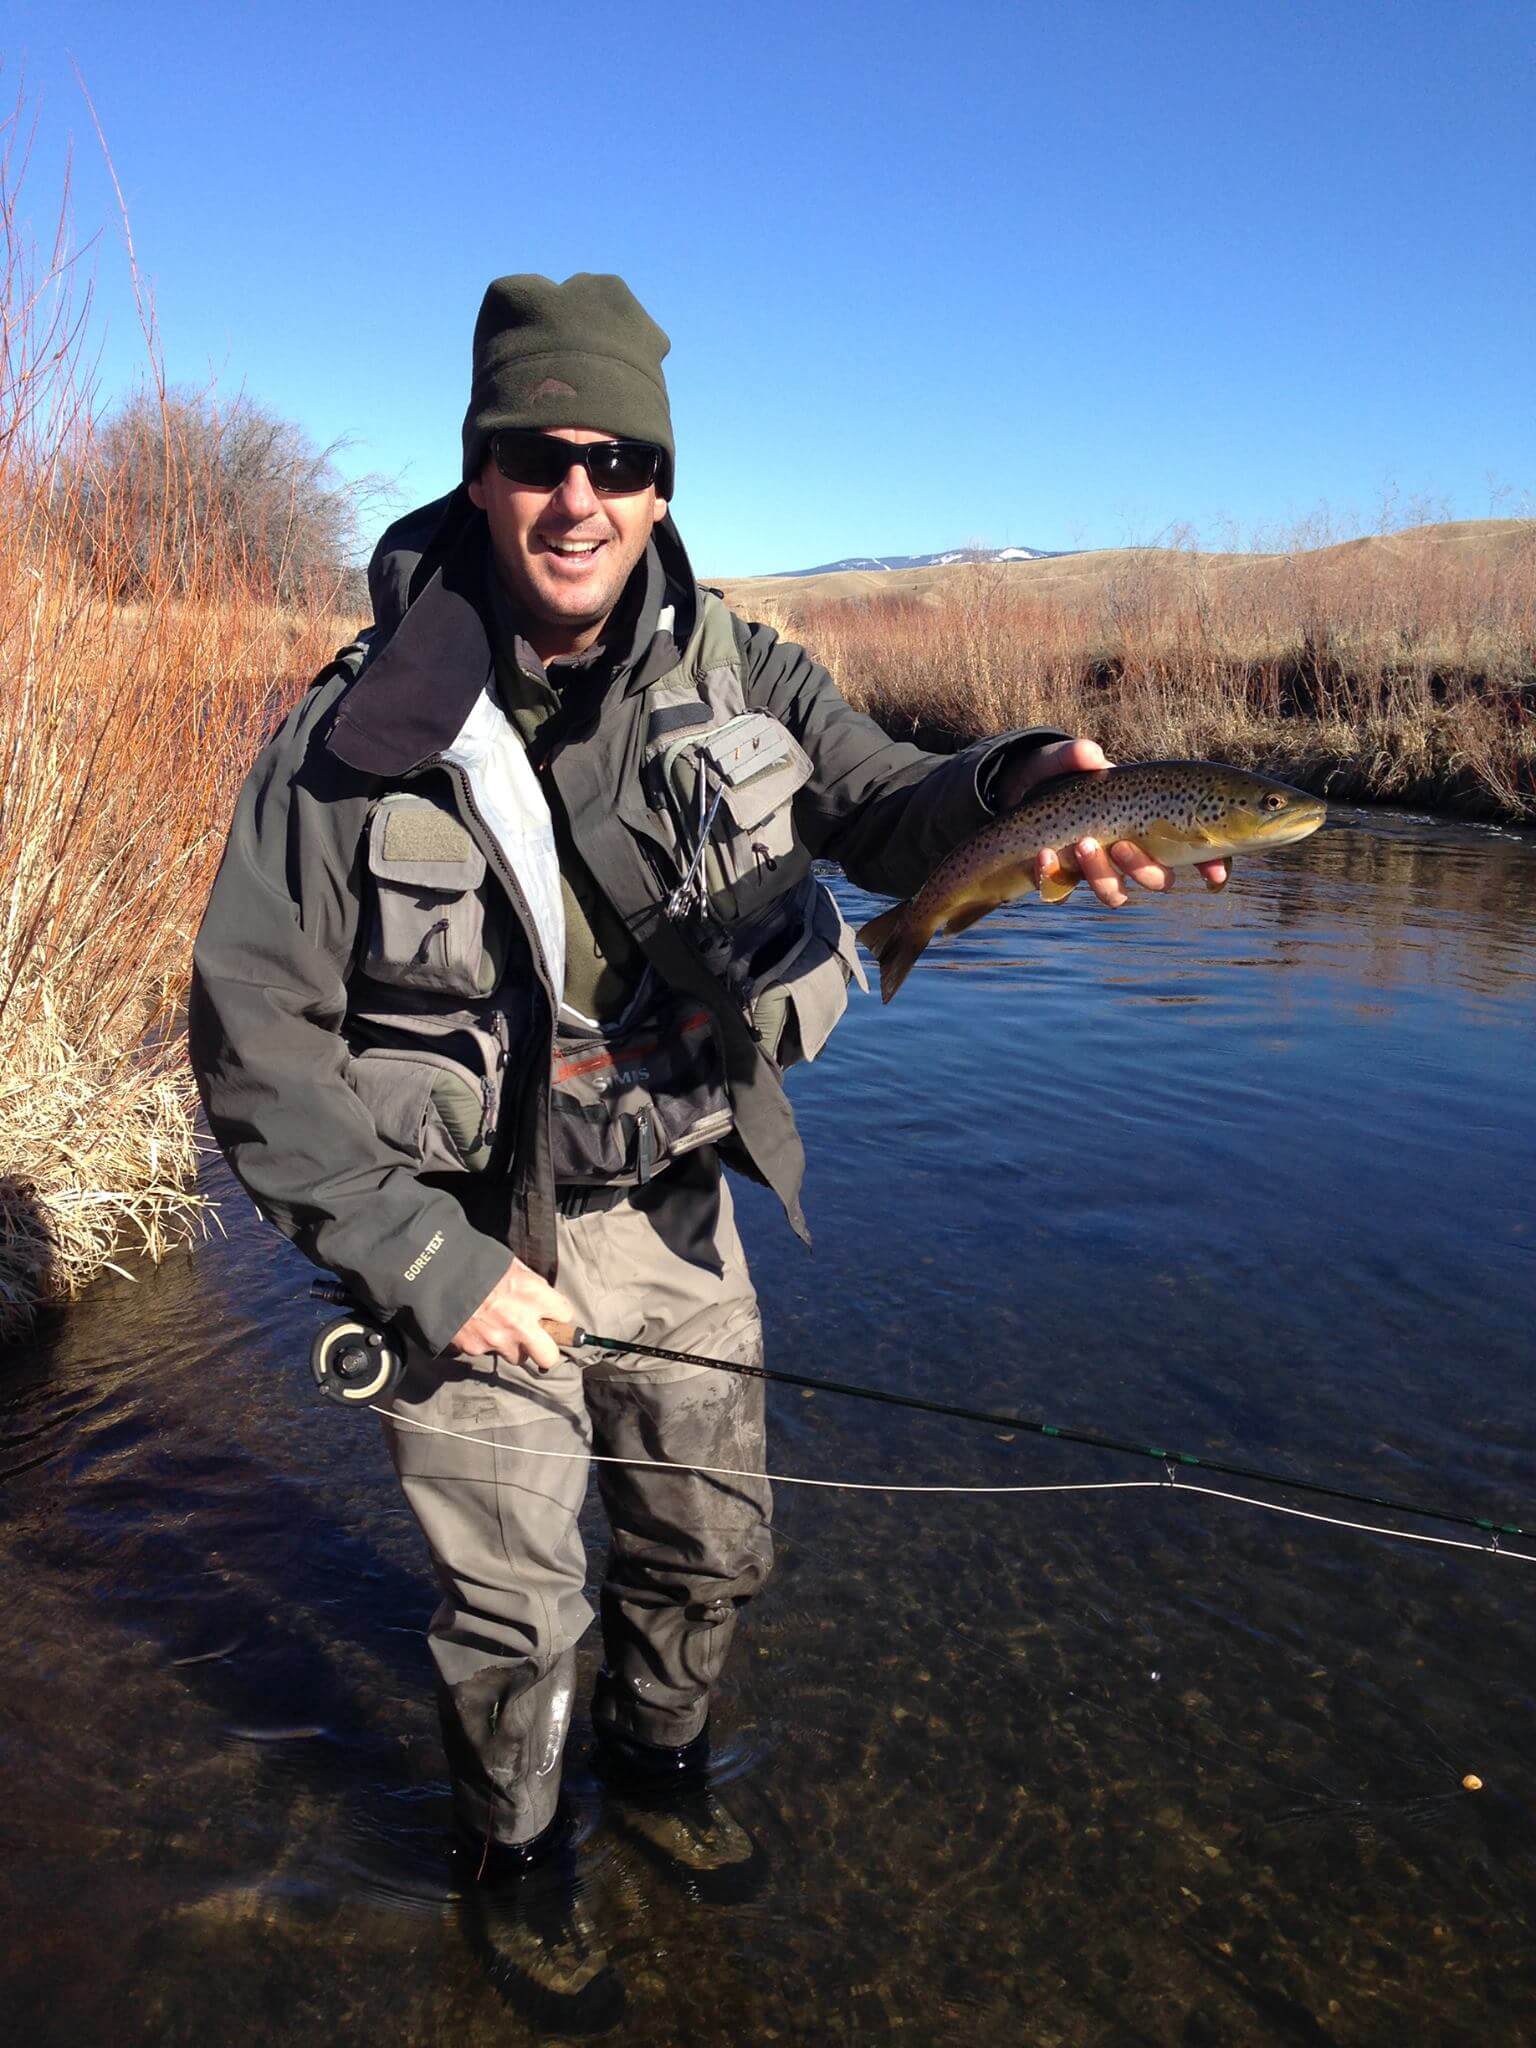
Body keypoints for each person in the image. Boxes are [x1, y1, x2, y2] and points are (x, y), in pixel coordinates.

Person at [188, 272, 1227, 2028]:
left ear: (661, 484)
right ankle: (515, 1865)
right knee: (520, 1620)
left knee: (708, 1551)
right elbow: (253, 1033)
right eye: (538, 454)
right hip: (464, 1239)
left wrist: (1031, 785)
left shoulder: (743, 664)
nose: (578, 496)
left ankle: (662, 1780)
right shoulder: (348, 739)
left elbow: (891, 802)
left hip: (674, 1209)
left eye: (619, 459)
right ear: (482, 467)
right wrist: (425, 1260)